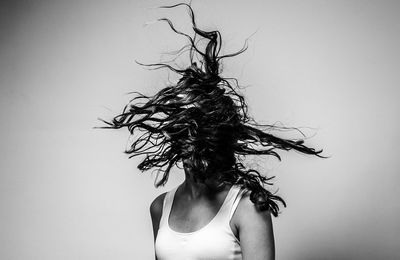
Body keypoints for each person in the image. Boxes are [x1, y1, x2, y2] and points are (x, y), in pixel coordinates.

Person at [97, 3, 324, 260]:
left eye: (201, 133)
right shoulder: (160, 207)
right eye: (185, 132)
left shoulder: (247, 206)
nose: (192, 144)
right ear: (175, 136)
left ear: (218, 138)